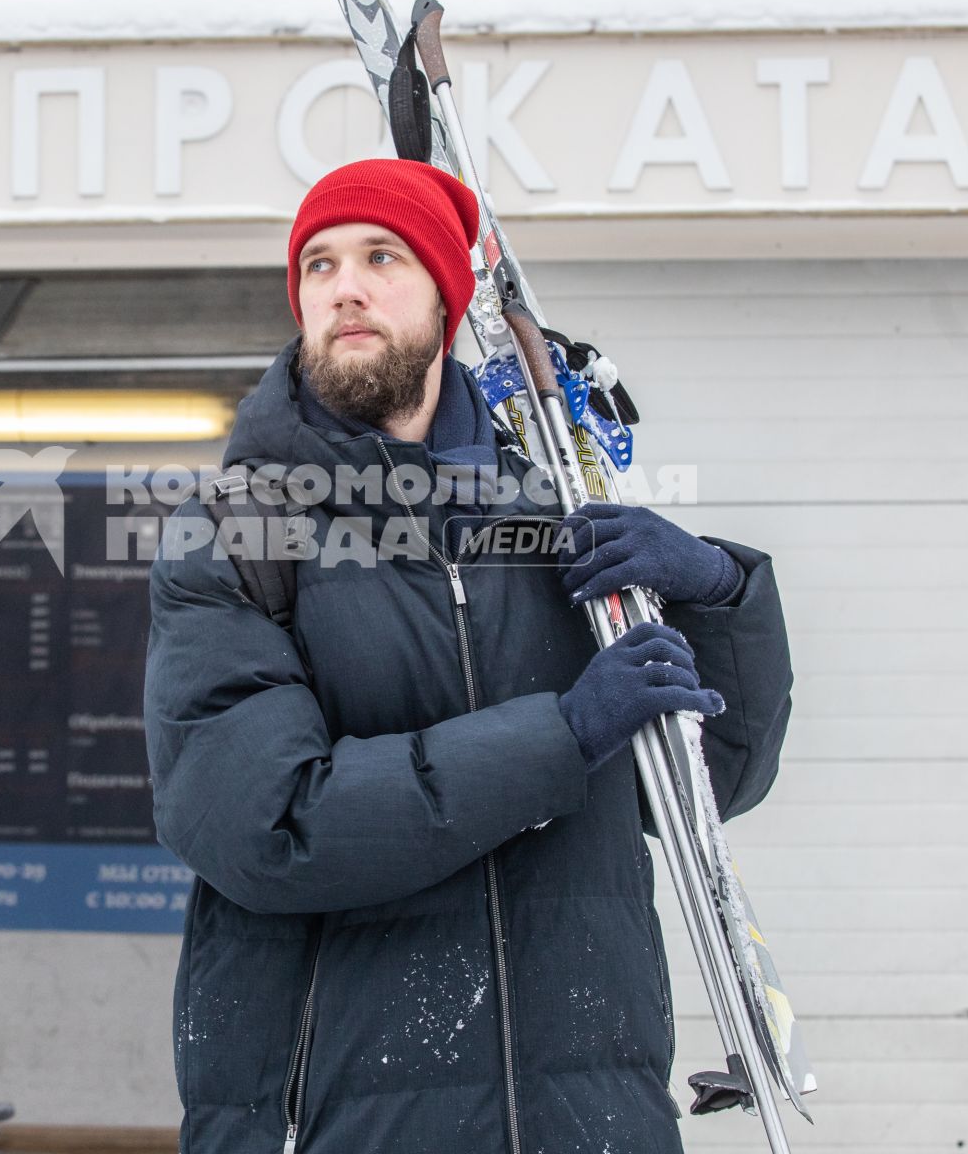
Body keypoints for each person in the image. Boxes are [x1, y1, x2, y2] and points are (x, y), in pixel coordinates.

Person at [143, 158, 794, 1154]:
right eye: (318, 265)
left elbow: (710, 785)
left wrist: (717, 591)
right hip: (337, 1123)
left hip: (590, 1114)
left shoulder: (561, 523)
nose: (343, 285)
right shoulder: (237, 536)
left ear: (449, 297)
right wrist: (563, 735)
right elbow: (264, 825)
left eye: (380, 256)